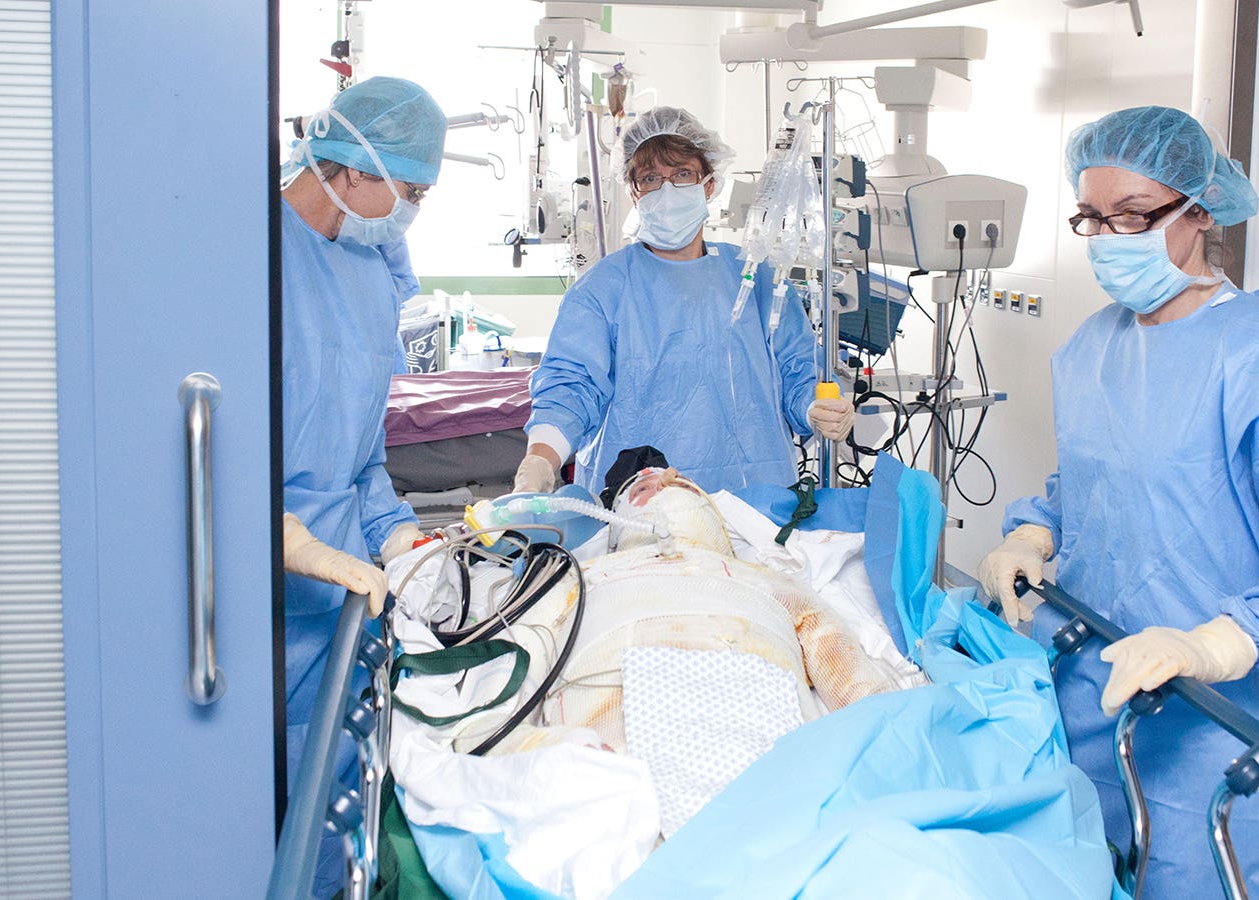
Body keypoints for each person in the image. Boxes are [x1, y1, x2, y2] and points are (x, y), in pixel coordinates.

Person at [976, 106, 1259, 898]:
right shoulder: (1092, 347)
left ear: (1200, 209)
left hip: (1220, 737)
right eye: (1092, 219)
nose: (1110, 239)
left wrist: (1219, 642)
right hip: (1094, 703)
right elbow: (1100, 484)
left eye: (1134, 216)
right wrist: (1033, 531)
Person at [278, 75, 444, 896]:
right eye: (409, 189)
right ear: (350, 167)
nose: (411, 210)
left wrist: (398, 534)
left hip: (344, 589)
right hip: (256, 603)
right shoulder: (249, 256)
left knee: (328, 825)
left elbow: (361, 454)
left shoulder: (367, 271)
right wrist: (280, 535)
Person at [512, 107, 853, 496]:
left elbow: (798, 368)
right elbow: (570, 386)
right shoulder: (603, 288)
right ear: (632, 191)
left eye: (682, 175)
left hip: (756, 500)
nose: (667, 189)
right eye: (651, 178)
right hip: (640, 502)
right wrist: (541, 459)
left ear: (708, 185)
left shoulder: (755, 278)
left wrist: (816, 407)